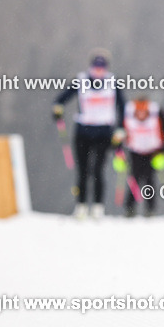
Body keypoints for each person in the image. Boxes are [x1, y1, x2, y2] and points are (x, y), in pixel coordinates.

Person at [52, 50, 125, 219]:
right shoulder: (82, 81)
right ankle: (81, 206)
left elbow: (123, 107)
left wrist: (121, 129)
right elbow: (61, 99)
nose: (99, 72)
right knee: (83, 171)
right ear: (91, 68)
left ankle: (98, 207)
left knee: (98, 169)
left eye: (102, 68)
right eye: (96, 68)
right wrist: (57, 108)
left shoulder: (113, 83)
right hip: (83, 131)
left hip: (104, 132)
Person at [121, 95, 164, 218]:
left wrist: (163, 153)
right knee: (134, 179)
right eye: (138, 111)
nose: (141, 114)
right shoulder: (127, 114)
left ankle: (150, 209)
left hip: (153, 152)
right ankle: (130, 208)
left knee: (149, 180)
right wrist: (119, 153)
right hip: (135, 151)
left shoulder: (158, 113)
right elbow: (119, 134)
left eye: (143, 111)